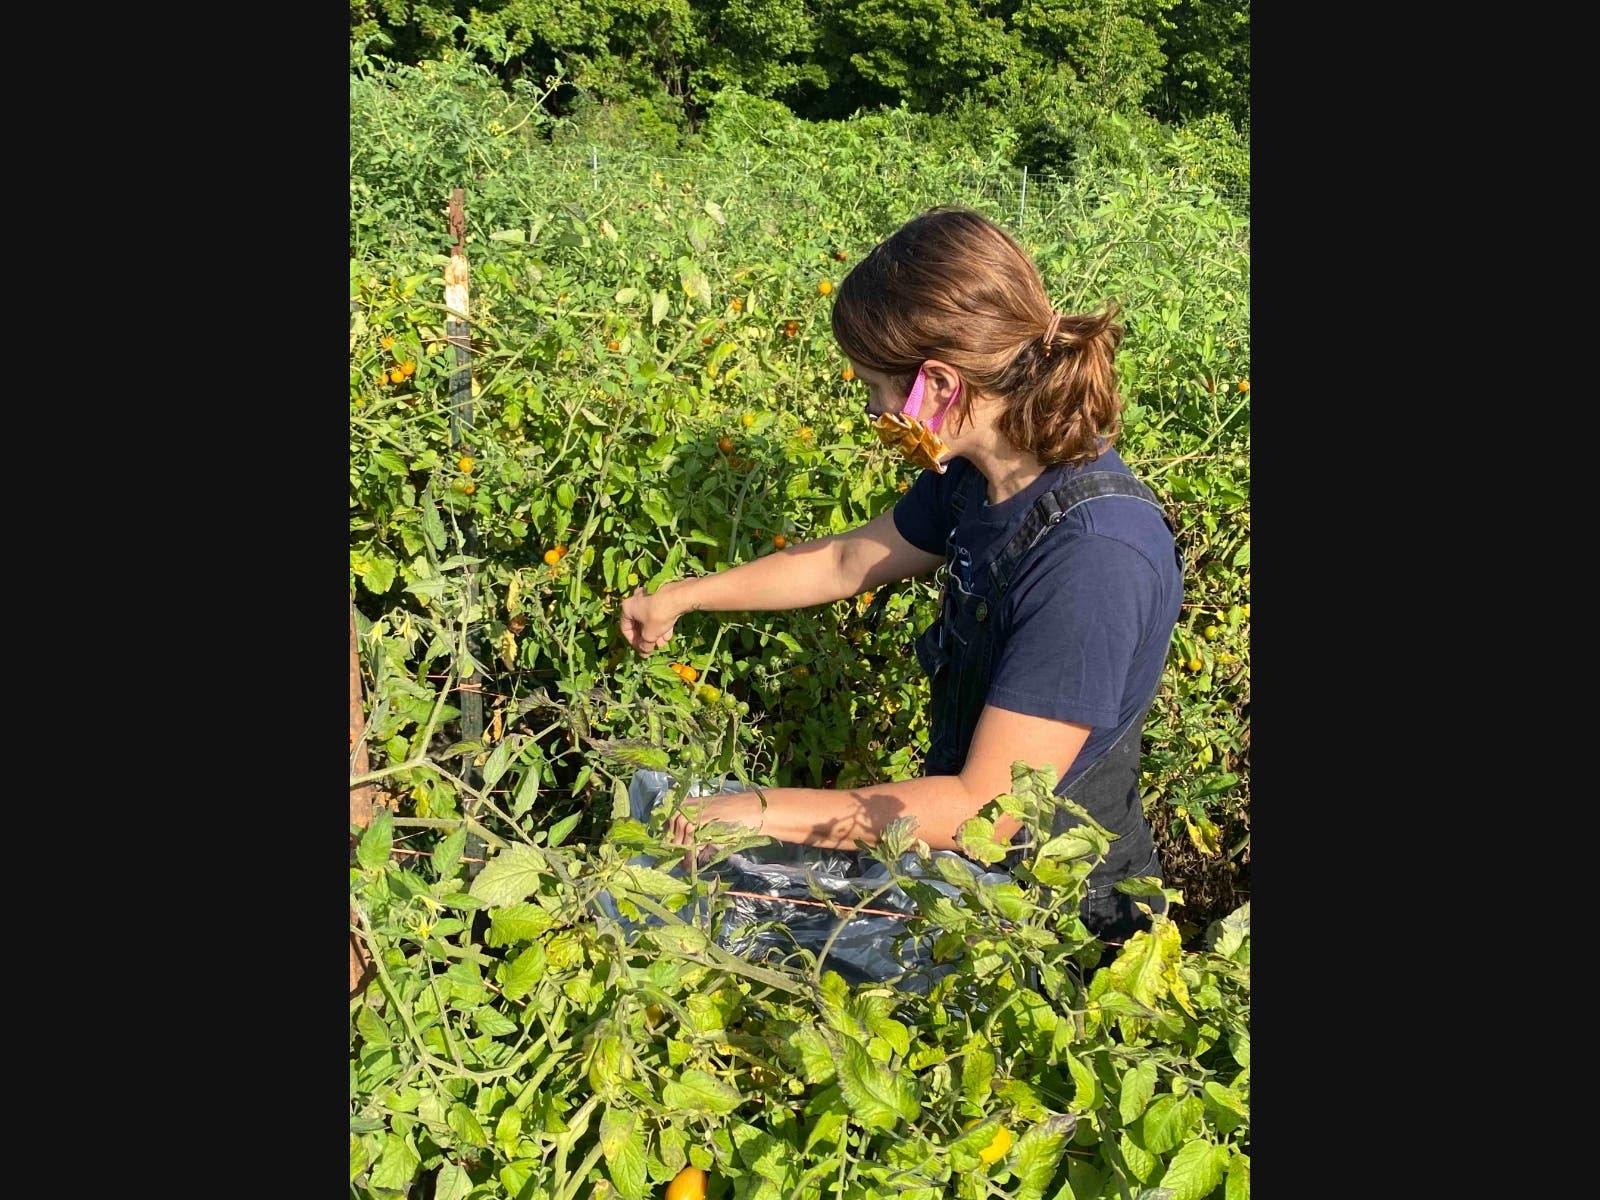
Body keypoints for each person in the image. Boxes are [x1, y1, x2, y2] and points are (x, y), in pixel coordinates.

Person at [619, 207, 1183, 944]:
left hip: (1050, 920)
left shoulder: (1094, 554)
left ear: (939, 385)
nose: (873, 411)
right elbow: (851, 559)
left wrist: (756, 811)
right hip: (973, 873)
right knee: (679, 842)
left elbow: (985, 809)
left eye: (878, 389)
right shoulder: (978, 477)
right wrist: (685, 597)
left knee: (699, 901)